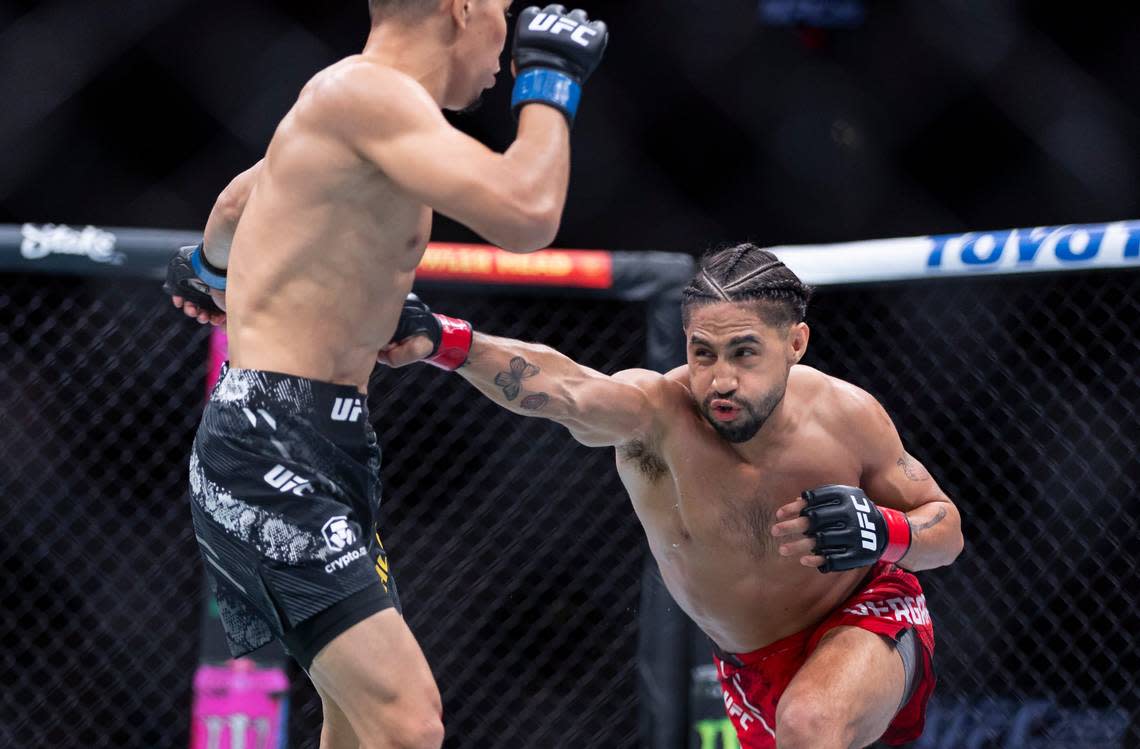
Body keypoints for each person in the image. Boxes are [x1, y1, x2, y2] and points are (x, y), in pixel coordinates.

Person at [163, 3, 608, 747]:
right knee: (406, 722)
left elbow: (239, 200)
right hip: (271, 445)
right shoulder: (365, 96)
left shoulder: (357, 106)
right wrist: (550, 81)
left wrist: (207, 269)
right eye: (502, 11)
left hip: (322, 442)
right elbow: (527, 211)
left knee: (356, 727)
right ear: (462, 8)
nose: (506, 39)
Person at [380, 244, 965, 749]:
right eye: (702, 353)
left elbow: (947, 532)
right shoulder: (655, 417)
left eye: (744, 352)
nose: (721, 379)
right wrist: (445, 340)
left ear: (796, 342)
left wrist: (888, 532)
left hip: (866, 612)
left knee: (811, 721)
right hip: (749, 664)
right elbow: (565, 389)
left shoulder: (848, 415)